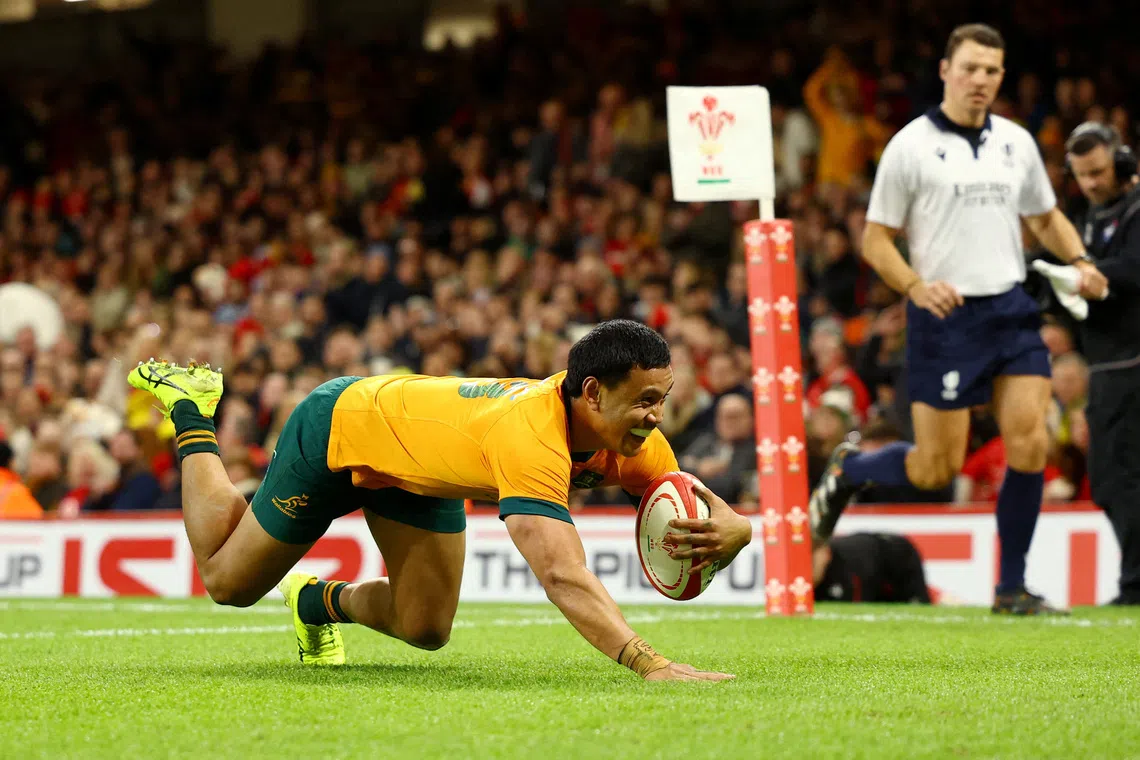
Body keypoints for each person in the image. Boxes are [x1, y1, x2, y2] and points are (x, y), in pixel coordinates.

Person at [127, 320, 752, 678]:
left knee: (425, 628)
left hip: (420, 472)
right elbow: (561, 573)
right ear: (592, 393)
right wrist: (649, 663)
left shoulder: (639, 441)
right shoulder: (532, 436)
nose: (657, 415)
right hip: (342, 428)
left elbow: (691, 506)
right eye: (645, 400)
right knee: (227, 583)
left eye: (662, 398)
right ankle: (192, 410)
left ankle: (314, 602)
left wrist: (738, 532)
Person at [808, 24, 1109, 615]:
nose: (981, 80)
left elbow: (1045, 217)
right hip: (943, 318)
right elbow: (875, 240)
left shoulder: (1016, 143)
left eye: (991, 71)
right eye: (970, 67)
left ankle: (1011, 587)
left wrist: (1079, 260)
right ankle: (852, 468)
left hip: (1010, 310)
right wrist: (915, 288)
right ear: (946, 71)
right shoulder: (910, 146)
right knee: (933, 467)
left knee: (1031, 440)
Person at [1059, 121, 1140, 605]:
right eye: (1082, 174)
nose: (1090, 183)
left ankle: (1135, 585)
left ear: (1122, 163)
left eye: (1098, 171)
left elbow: (1134, 268)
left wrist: (1089, 274)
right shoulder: (1089, 217)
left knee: (1124, 475)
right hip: (1107, 364)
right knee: (1109, 481)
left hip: (1133, 363)